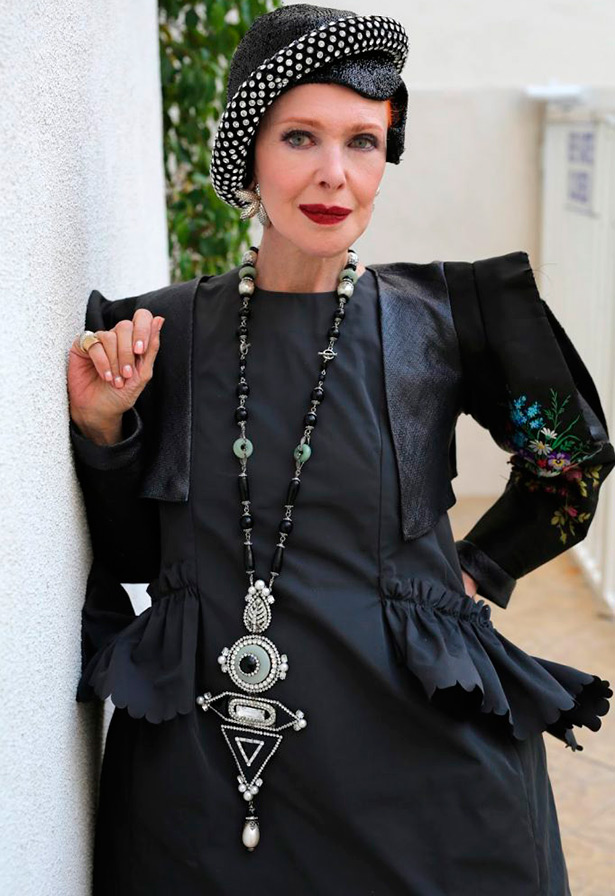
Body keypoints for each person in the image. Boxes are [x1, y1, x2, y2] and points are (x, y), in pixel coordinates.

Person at [67, 5, 614, 894]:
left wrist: (474, 570)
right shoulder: (162, 331)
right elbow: (132, 557)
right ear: (248, 152)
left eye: (362, 142)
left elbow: (571, 461)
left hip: (423, 763)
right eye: (300, 137)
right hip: (213, 763)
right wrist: (105, 428)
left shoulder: (446, 318)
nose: (334, 174)